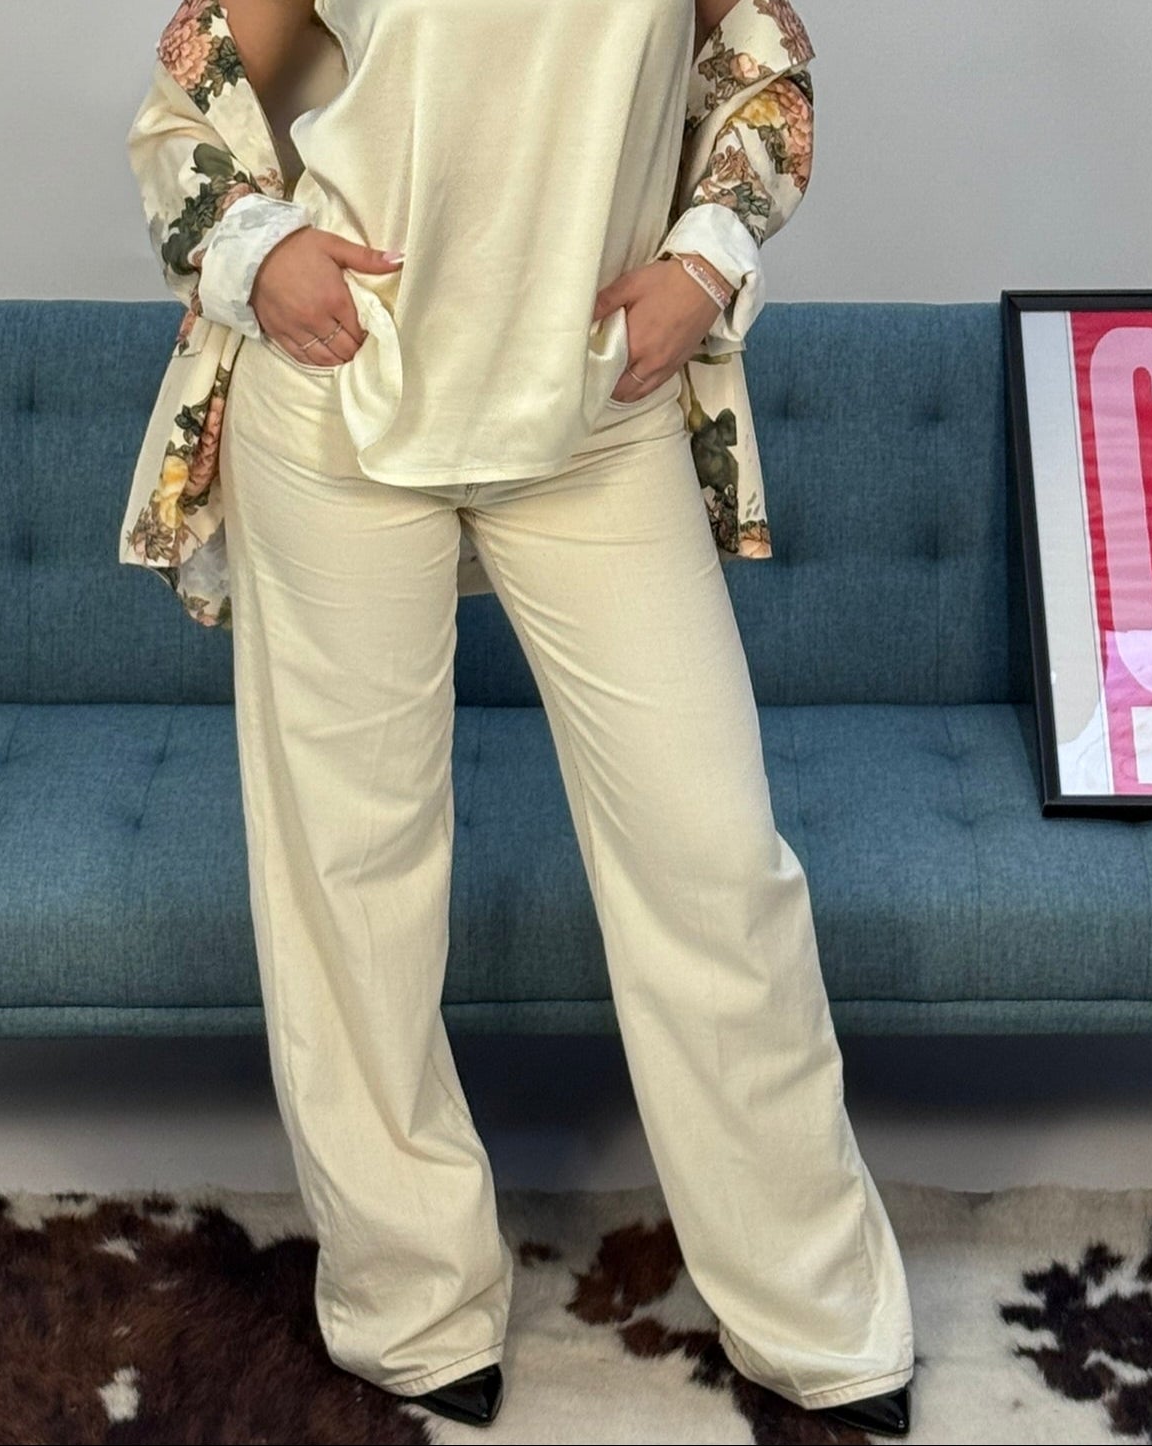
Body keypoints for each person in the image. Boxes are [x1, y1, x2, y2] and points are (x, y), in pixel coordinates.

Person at [133, 0, 914, 1434]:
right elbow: (197, 88)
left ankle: (819, 1311)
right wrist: (260, 248)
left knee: (713, 861)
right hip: (341, 397)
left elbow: (765, 67)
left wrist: (706, 260)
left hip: (596, 406)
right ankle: (409, 1302)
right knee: (352, 878)